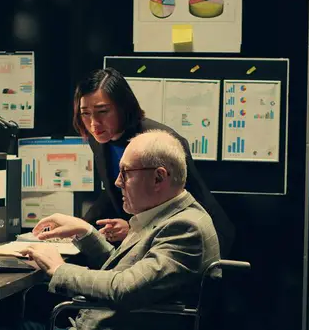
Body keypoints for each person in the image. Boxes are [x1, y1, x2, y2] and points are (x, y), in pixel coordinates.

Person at [20, 130, 220, 330]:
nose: (117, 182)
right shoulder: (168, 215)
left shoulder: (185, 228)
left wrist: (59, 269)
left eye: (125, 173)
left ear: (158, 177)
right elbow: (128, 268)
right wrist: (85, 232)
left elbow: (125, 287)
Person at [74, 67, 234, 257]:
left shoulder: (161, 144)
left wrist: (135, 229)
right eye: (85, 113)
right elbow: (114, 190)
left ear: (123, 107)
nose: (93, 123)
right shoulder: (99, 139)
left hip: (197, 241)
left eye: (103, 111)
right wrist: (80, 225)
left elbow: (185, 209)